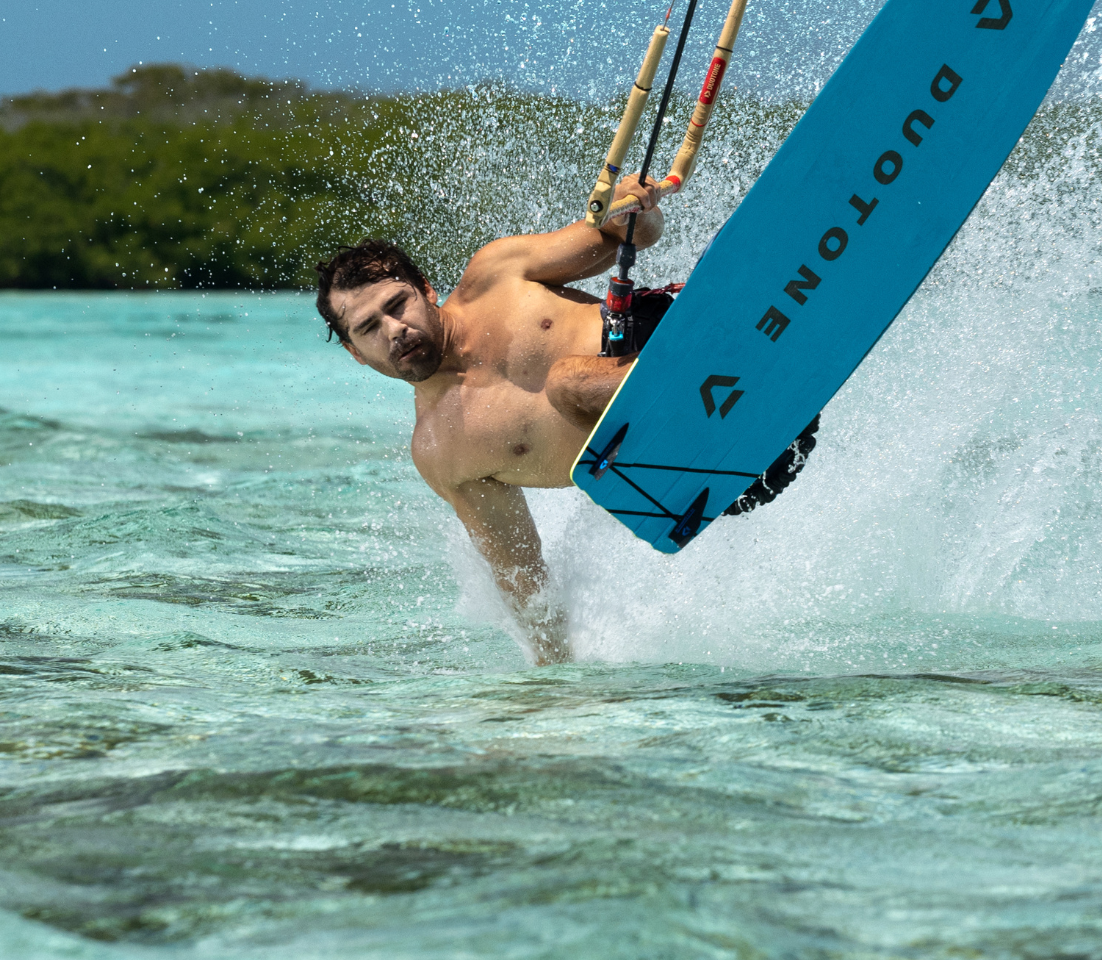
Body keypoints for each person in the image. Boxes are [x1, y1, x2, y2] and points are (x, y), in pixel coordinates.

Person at [314, 177, 816, 665]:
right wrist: (555, 681)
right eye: (368, 329)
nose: (395, 330)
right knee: (568, 386)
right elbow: (522, 576)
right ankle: (706, 390)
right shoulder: (441, 451)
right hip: (725, 477)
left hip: (723, 358)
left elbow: (633, 234)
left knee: (568, 382)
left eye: (397, 305)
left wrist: (635, 208)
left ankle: (727, 362)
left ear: (425, 288)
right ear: (357, 354)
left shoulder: (498, 272)